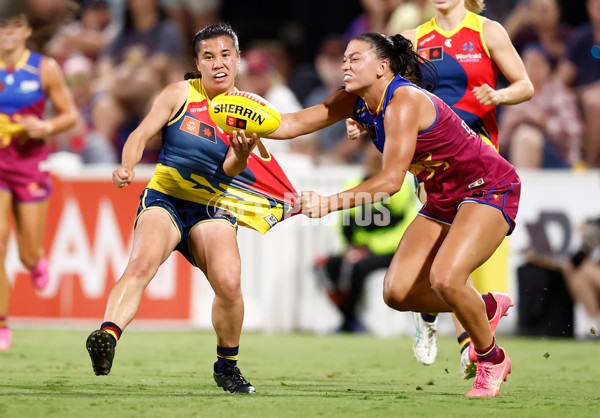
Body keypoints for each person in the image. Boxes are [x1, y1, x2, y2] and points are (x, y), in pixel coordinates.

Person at [269, 32, 520, 397]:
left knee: (447, 278)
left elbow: (389, 182)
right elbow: (289, 124)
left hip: (488, 187)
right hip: (443, 198)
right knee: (397, 293)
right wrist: (236, 120)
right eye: (344, 58)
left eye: (356, 58)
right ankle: (483, 306)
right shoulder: (353, 101)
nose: (345, 64)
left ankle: (491, 359)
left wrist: (327, 202)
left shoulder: (403, 100)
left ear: (383, 67)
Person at [85, 23, 297, 393]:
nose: (218, 63)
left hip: (212, 206)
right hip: (165, 198)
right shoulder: (178, 94)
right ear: (197, 62)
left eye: (225, 54)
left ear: (238, 58)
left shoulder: (250, 111)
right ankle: (107, 336)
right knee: (140, 264)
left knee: (229, 285)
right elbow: (140, 133)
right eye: (208, 56)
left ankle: (226, 366)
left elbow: (232, 169)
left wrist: (244, 152)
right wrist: (127, 165)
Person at [386, 0, 533, 378]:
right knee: (448, 254)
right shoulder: (413, 39)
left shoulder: (487, 31)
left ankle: (439, 316)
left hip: (481, 157)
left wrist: (498, 96)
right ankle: (468, 342)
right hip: (433, 160)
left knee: (456, 260)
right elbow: (391, 94)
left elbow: (525, 85)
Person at [0, 4, 79, 350]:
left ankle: (35, 261)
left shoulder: (44, 68)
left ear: (26, 31)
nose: (8, 33)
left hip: (29, 165)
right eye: (2, 27)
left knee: (28, 253)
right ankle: (2, 323)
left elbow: (70, 115)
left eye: (14, 27)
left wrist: (45, 126)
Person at [314, 145, 419, 333]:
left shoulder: (400, 186)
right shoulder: (354, 183)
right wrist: (350, 248)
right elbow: (345, 222)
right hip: (360, 250)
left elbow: (405, 226)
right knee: (323, 266)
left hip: (390, 251)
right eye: (371, 157)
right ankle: (349, 318)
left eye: (379, 157)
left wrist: (370, 248)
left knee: (357, 268)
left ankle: (349, 323)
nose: (374, 160)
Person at [499, 43, 582, 168]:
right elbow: (500, 143)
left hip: (558, 160)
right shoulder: (514, 94)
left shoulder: (558, 93)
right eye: (528, 64)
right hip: (519, 154)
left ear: (547, 68)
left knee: (527, 137)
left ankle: (524, 185)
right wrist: (513, 124)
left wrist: (544, 121)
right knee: (523, 135)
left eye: (537, 64)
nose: (532, 69)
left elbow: (574, 135)